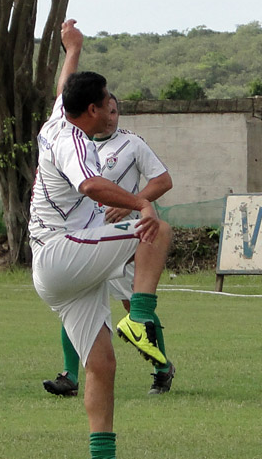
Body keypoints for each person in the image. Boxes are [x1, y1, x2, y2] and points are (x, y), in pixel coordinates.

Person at [30, 19, 172, 459]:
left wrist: (72, 48)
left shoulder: (60, 117)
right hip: (62, 253)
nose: (111, 104)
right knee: (157, 229)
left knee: (102, 363)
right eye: (105, 100)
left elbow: (63, 87)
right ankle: (140, 316)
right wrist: (139, 203)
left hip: (60, 269)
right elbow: (90, 185)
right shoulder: (72, 142)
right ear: (91, 110)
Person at [42, 90, 176, 398]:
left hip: (123, 241)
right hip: (86, 238)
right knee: (77, 299)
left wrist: (133, 204)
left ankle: (162, 368)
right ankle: (69, 374)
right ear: (93, 111)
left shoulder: (131, 144)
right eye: (107, 110)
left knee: (134, 306)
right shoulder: (76, 143)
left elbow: (163, 180)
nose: (111, 117)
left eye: (115, 112)